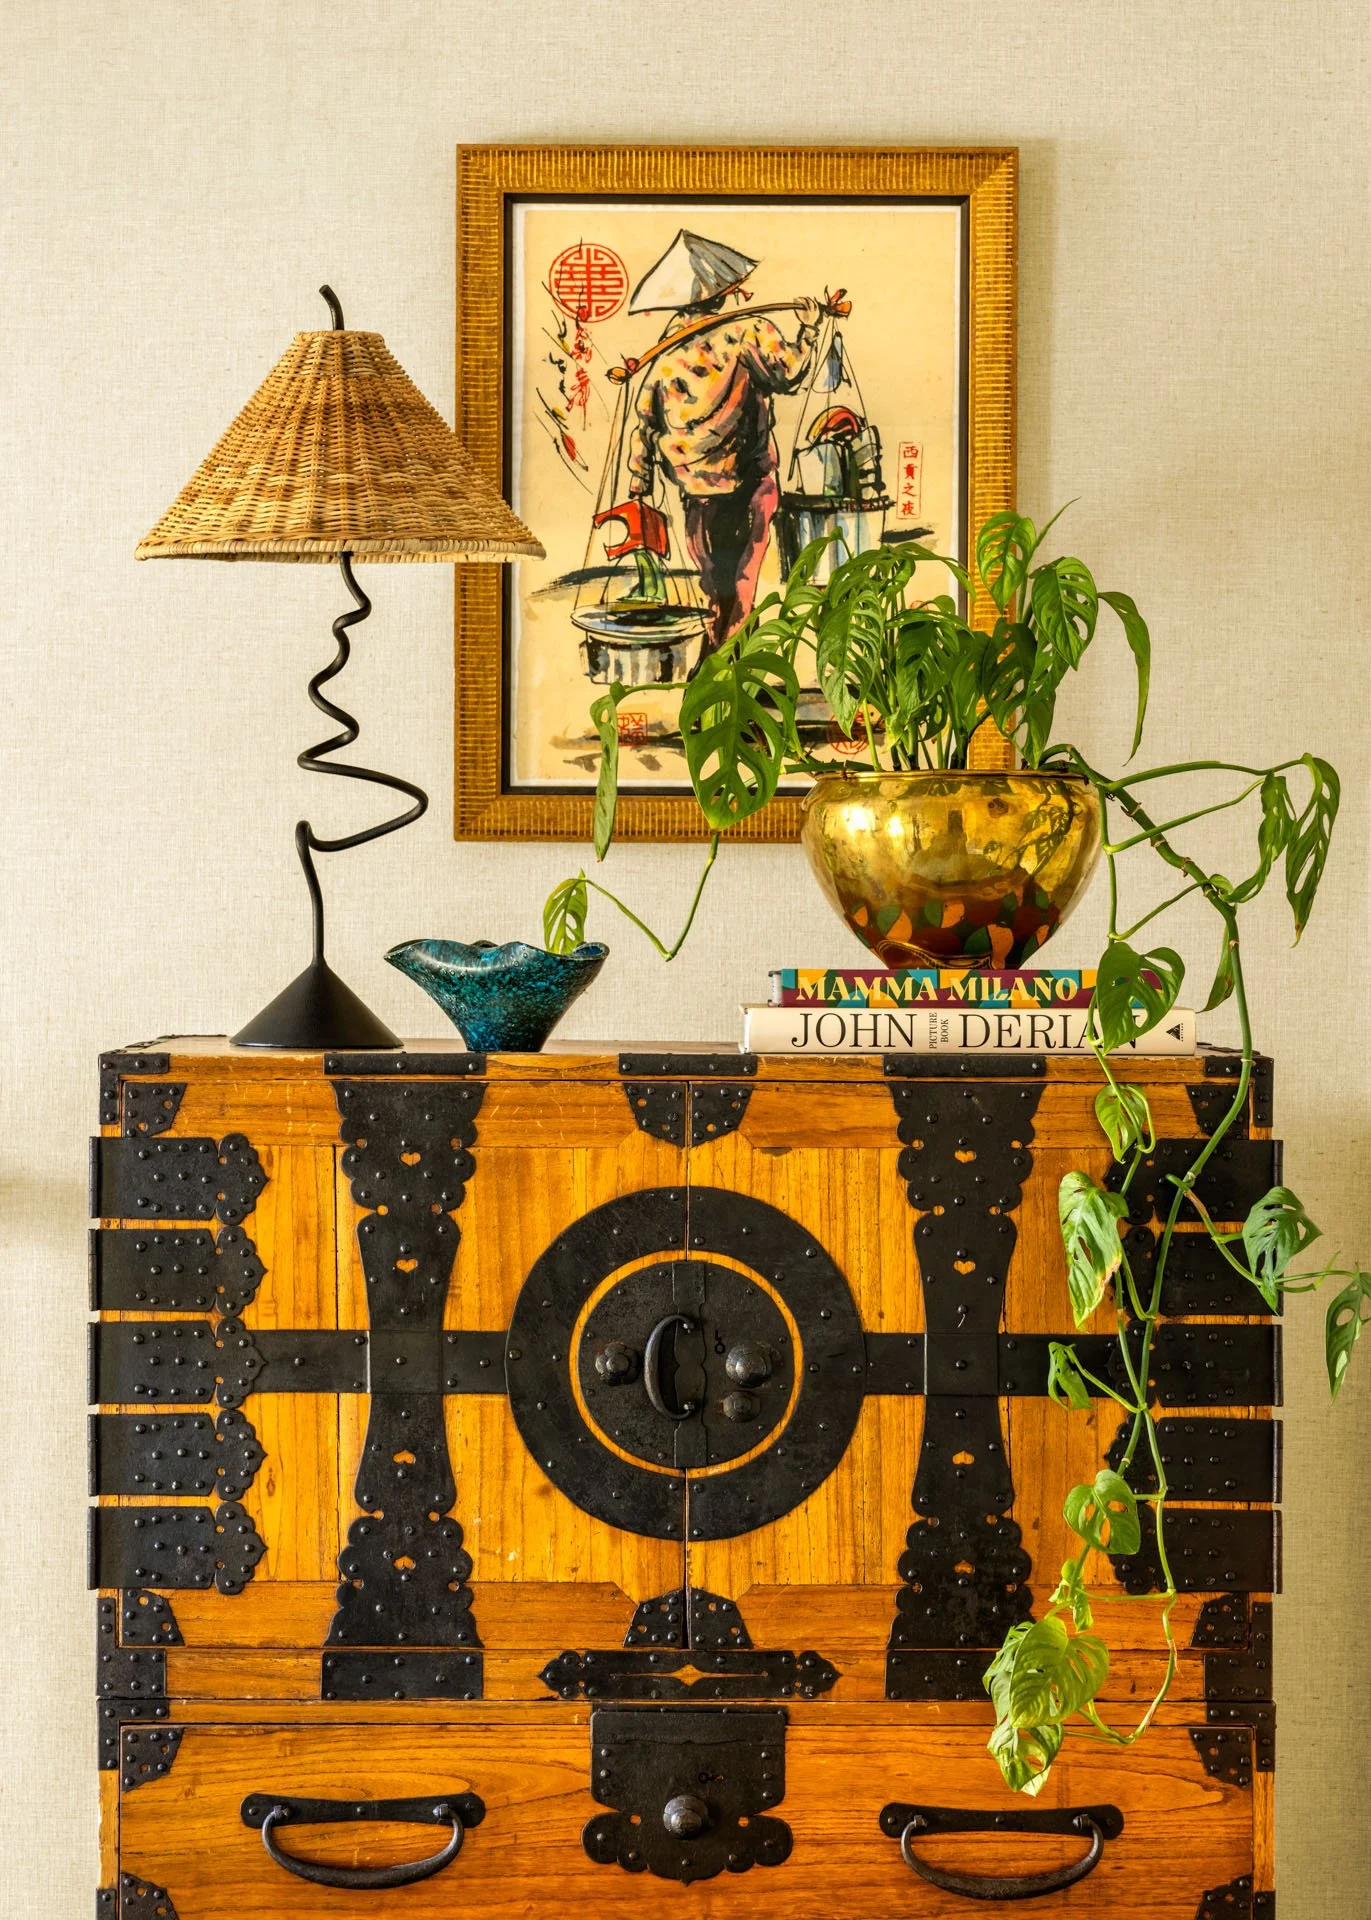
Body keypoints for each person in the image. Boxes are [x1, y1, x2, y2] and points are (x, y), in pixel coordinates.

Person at [624, 230, 822, 661]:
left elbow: (644, 421)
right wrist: (809, 329)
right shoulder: (748, 331)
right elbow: (787, 373)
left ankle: (719, 663)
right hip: (747, 480)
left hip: (694, 488)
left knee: (714, 582)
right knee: (743, 580)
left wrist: (639, 480)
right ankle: (728, 668)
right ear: (721, 292)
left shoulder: (663, 354)